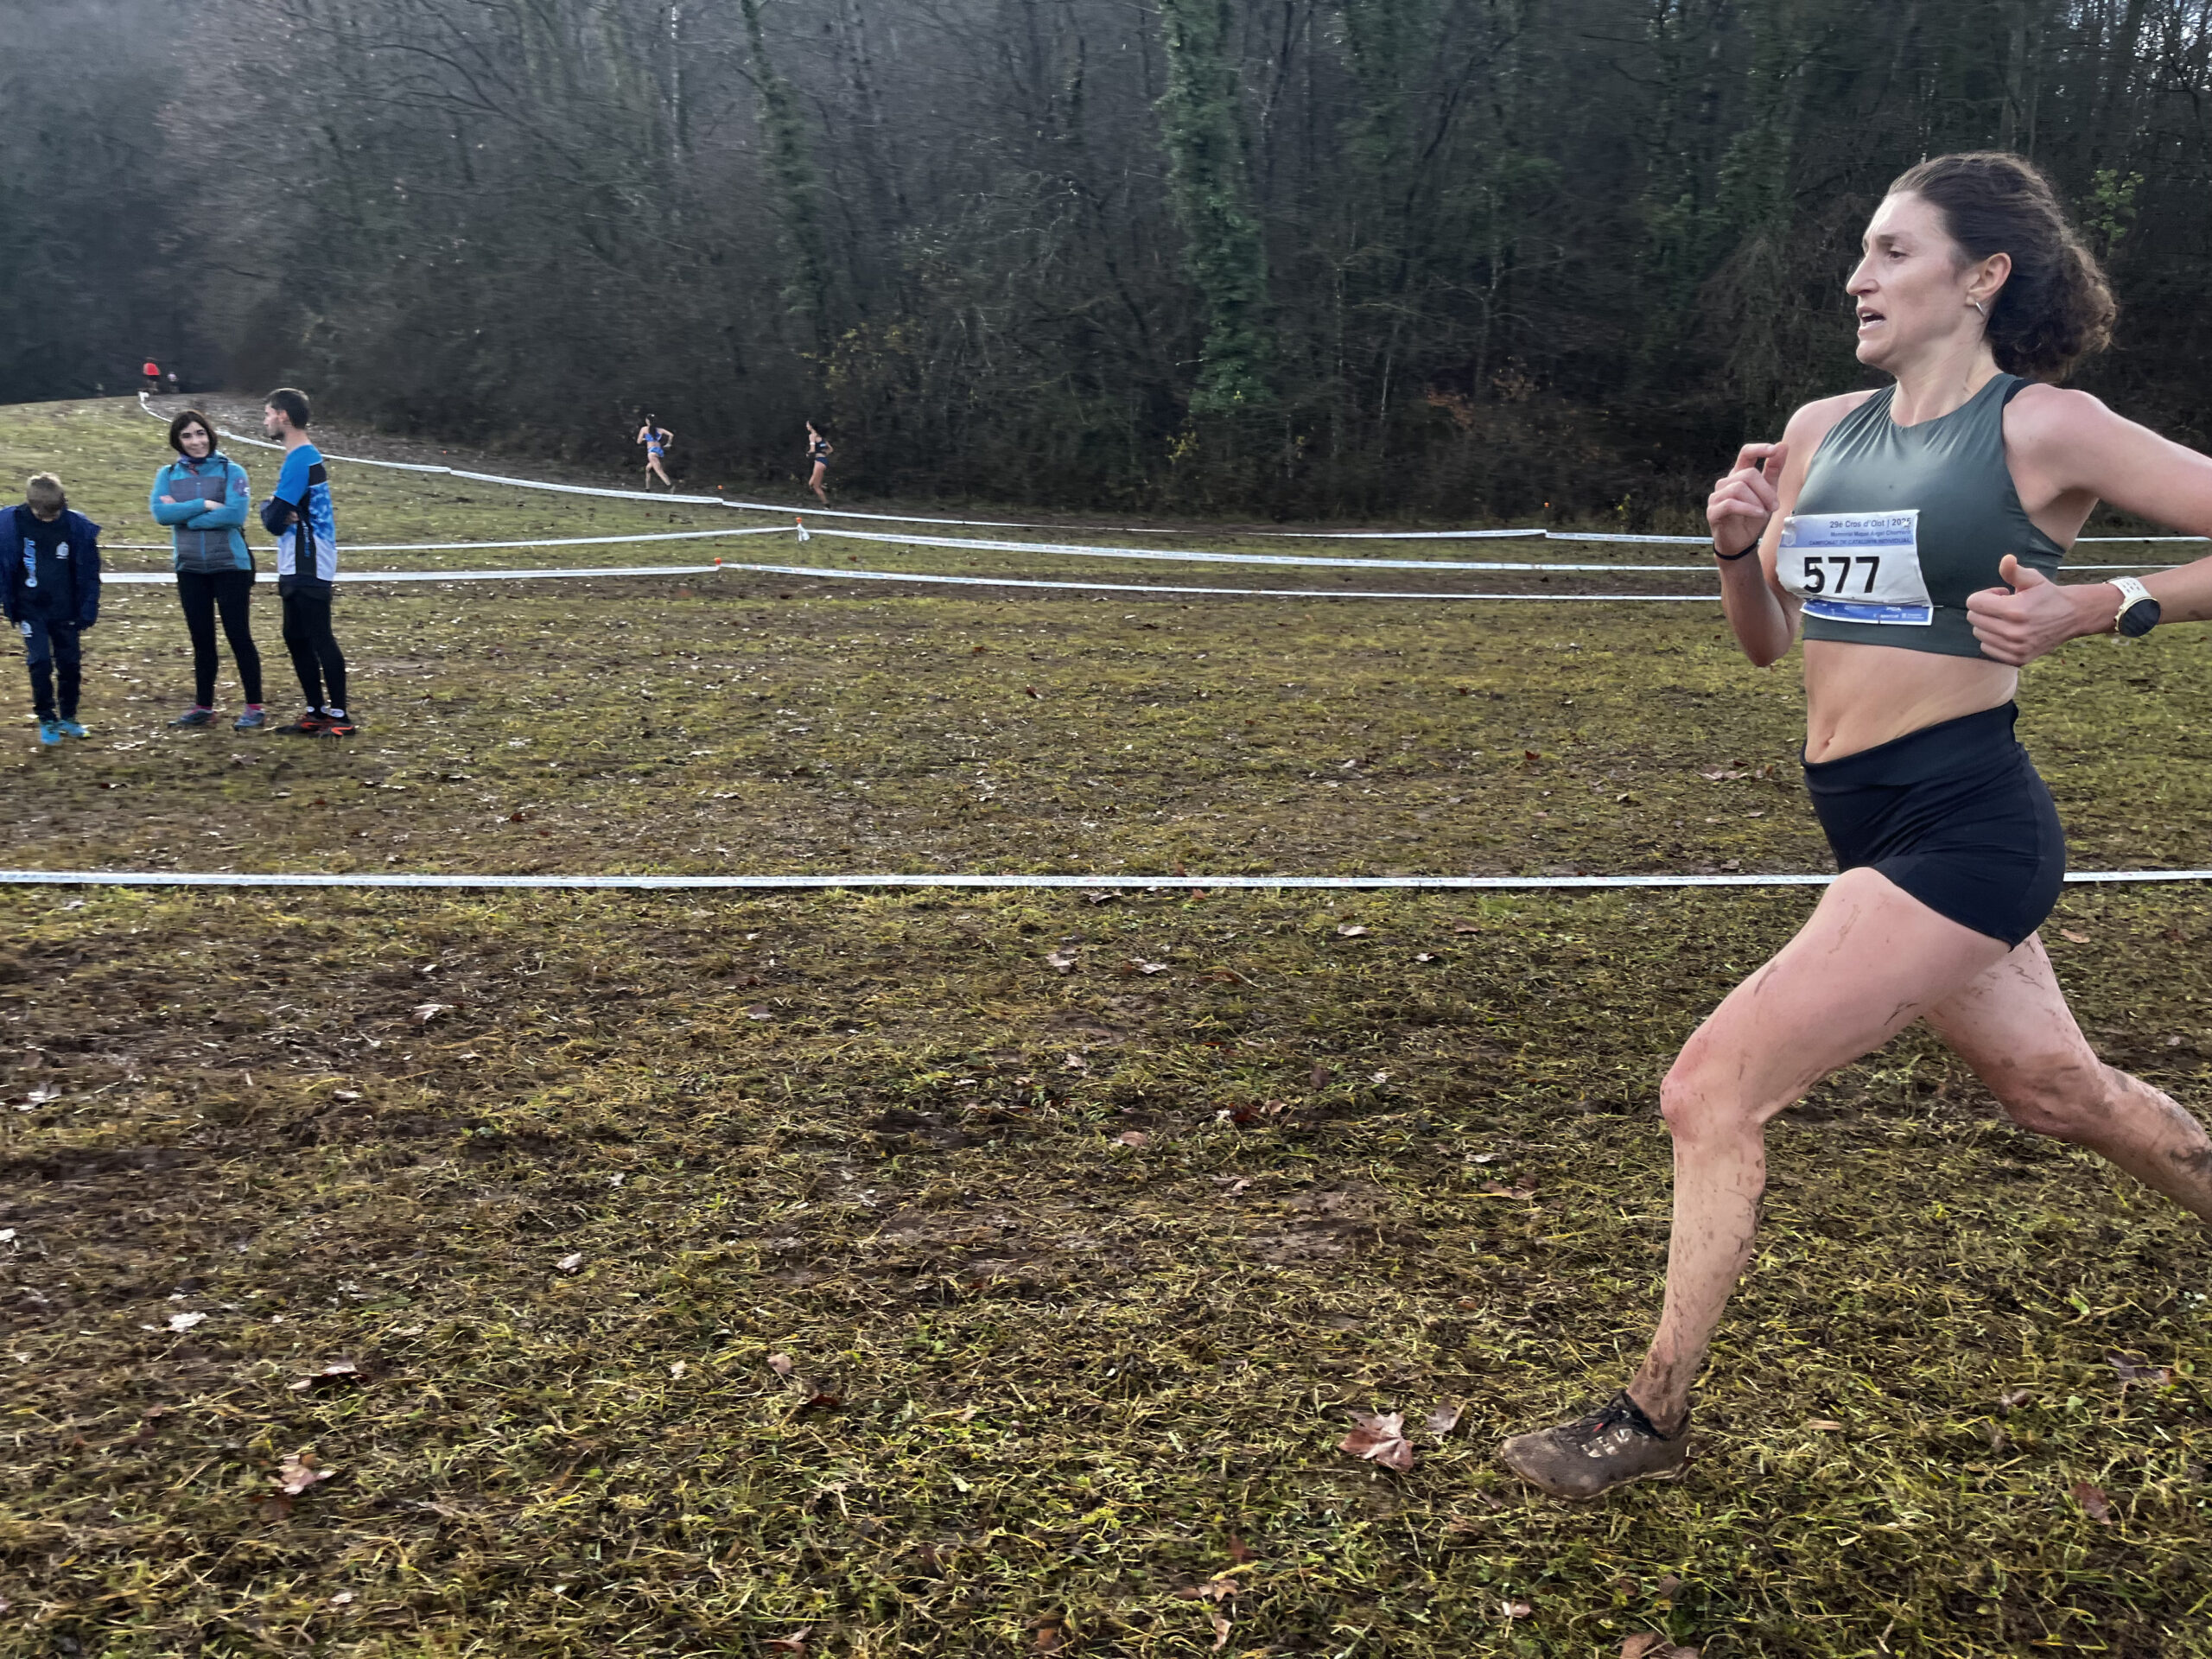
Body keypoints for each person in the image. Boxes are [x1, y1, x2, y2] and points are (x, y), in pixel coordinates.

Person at [1497, 151, 2212, 1500]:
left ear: (1983, 275)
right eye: (1862, 252)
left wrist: (2104, 603)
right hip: (1862, 819)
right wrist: (1734, 546)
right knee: (2058, 1093)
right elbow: (1771, 644)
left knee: (1710, 1090)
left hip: (1967, 826)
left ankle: (1649, 1419)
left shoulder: (2046, 428)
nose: (1856, 279)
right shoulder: (1820, 429)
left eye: (1892, 252)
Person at [150, 409, 264, 730]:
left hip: (230, 565)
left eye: (200, 433)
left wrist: (185, 517)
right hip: (189, 568)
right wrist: (203, 505)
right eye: (187, 435)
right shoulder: (167, 474)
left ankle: (254, 707)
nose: (195, 441)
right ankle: (203, 707)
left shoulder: (232, 471)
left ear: (210, 434)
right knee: (201, 640)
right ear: (178, 441)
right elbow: (160, 514)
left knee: (239, 636)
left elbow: (234, 515)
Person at [257, 387, 353, 738]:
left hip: (309, 559)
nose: (265, 421)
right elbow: (277, 514)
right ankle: (315, 712)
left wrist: (269, 507)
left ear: (283, 416)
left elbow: (272, 520)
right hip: (294, 559)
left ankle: (341, 716)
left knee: (319, 636)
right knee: (295, 636)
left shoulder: (301, 459)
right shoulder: (298, 458)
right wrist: (273, 508)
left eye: (268, 414)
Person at [1, 474, 101, 747]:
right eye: (42, 516)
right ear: (30, 505)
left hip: (66, 609)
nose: (48, 520)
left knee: (70, 663)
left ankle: (69, 716)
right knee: (40, 661)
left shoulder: (77, 527)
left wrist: (88, 607)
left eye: (54, 515)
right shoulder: (9, 524)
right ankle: (46, 717)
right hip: (29, 609)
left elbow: (90, 571)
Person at [636, 415, 675, 491]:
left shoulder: (644, 429)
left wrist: (645, 439)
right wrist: (669, 444)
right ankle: (647, 488)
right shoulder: (660, 430)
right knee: (648, 469)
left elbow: (638, 442)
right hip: (659, 451)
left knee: (659, 471)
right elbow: (671, 435)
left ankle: (670, 486)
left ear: (647, 421)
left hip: (651, 452)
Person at [804, 421, 833, 505]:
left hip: (819, 462)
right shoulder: (821, 437)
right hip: (824, 461)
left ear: (811, 426)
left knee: (816, 487)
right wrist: (824, 454)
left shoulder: (812, 436)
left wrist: (808, 453)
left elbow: (812, 450)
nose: (806, 426)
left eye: (807, 424)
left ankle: (827, 505)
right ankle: (826, 488)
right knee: (810, 483)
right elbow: (831, 449)